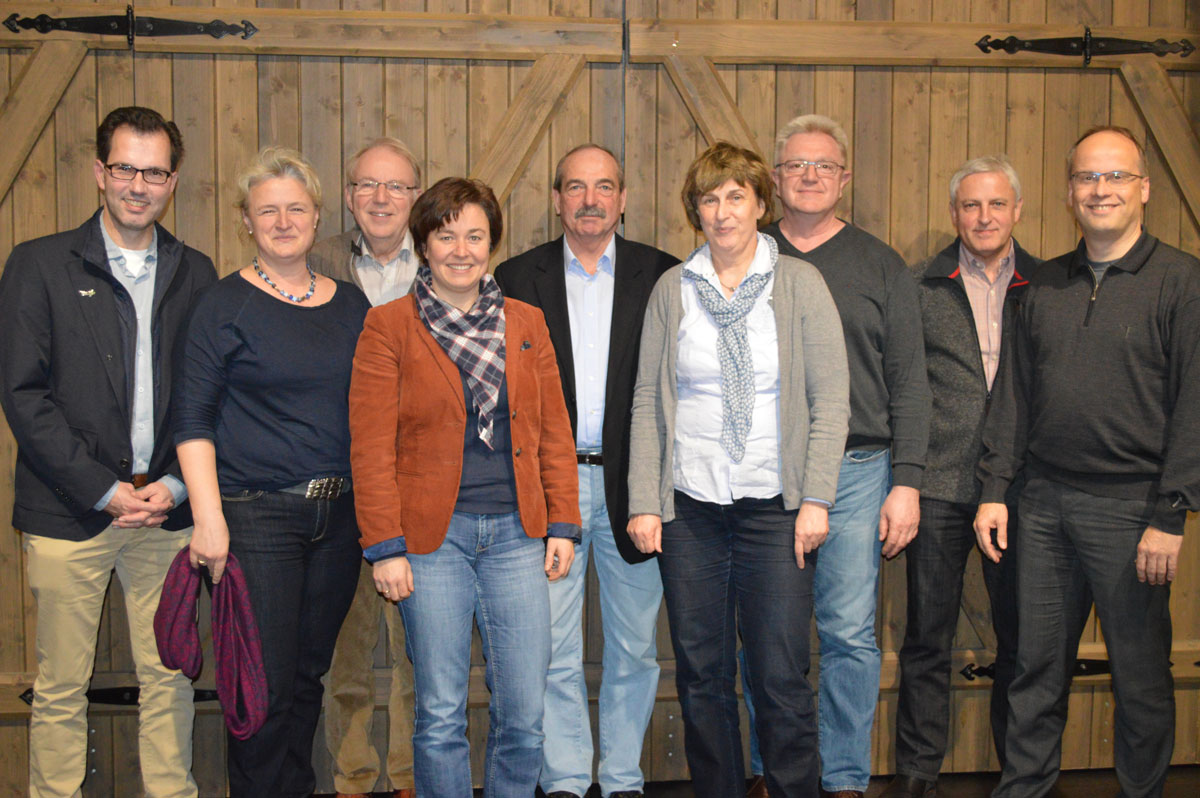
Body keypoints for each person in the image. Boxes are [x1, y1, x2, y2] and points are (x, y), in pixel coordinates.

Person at [975, 126, 1200, 798]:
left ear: (1144, 189)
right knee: (1035, 671)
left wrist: (1172, 513)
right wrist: (995, 489)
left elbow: (1195, 403)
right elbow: (1012, 397)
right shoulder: (1042, 284)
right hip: (1042, 505)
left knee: (1141, 678)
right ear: (1070, 192)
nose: (1100, 190)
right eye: (1086, 177)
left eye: (1116, 176)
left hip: (1134, 512)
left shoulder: (1182, 282)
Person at [0, 106, 215, 798]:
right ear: (100, 172)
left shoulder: (196, 272)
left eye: (154, 173)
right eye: (125, 168)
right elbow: (23, 394)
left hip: (165, 512)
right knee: (61, 684)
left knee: (170, 676)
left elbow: (209, 396)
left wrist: (175, 485)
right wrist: (102, 488)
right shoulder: (39, 265)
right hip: (69, 512)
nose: (138, 185)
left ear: (172, 182)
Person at [627, 141, 849, 797]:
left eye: (735, 196)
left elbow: (831, 400)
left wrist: (817, 498)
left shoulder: (799, 284)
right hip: (691, 511)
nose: (722, 212)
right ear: (695, 210)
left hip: (775, 510)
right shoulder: (674, 290)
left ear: (759, 204)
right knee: (702, 674)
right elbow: (647, 399)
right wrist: (645, 500)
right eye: (709, 199)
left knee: (780, 672)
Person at [349, 177, 582, 797]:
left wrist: (563, 523)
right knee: (440, 712)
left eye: (475, 236)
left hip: (517, 536)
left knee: (524, 711)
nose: (461, 250)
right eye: (446, 235)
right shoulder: (388, 326)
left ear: (491, 244)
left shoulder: (526, 322)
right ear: (424, 244)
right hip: (432, 542)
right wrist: (385, 545)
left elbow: (553, 430)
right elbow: (370, 447)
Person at [174, 146, 370, 797]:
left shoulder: (352, 305)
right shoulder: (222, 306)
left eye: (296, 208)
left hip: (339, 522)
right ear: (246, 221)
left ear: (316, 216)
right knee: (261, 689)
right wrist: (209, 521)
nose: (283, 222)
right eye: (268, 211)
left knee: (308, 680)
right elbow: (192, 421)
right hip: (256, 521)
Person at [494, 144, 678, 798]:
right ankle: (567, 779)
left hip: (637, 485)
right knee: (550, 645)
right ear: (556, 200)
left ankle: (623, 777)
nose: (590, 200)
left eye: (603, 187)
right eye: (575, 187)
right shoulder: (516, 277)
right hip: (552, 486)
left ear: (622, 199)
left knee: (634, 645)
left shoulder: (664, 275)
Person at [758, 114, 929, 798]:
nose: (809, 176)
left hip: (859, 472)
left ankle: (844, 778)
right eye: (796, 165)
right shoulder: (745, 253)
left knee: (850, 634)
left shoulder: (881, 264)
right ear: (775, 178)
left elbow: (910, 381)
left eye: (823, 165)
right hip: (766, 474)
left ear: (844, 178)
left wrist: (907, 483)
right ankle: (776, 771)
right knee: (770, 636)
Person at [883, 155, 1038, 798]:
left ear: (1017, 211)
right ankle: (918, 773)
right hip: (940, 485)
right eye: (971, 205)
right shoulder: (920, 285)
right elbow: (903, 386)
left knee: (1024, 641)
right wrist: (909, 476)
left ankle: (1022, 772)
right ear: (954, 213)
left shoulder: (1047, 285)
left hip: (1025, 489)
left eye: (997, 204)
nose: (984, 217)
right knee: (927, 638)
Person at [310, 136, 422, 798]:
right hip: (342, 484)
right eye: (367, 185)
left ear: (416, 195)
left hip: (424, 489)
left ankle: (409, 777)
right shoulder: (315, 261)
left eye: (396, 186)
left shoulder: (446, 260)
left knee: (419, 653)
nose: (381, 198)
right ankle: (352, 777)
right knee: (346, 648)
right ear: (349, 196)